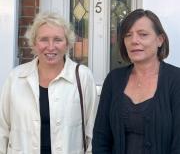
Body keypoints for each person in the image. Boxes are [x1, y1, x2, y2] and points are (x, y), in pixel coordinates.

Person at [0, 12, 98, 154]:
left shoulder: (82, 76)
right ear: (34, 43)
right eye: (44, 39)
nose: (51, 47)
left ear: (67, 44)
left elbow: (93, 131)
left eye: (58, 39)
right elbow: (2, 129)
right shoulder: (16, 77)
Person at [92, 9, 180, 154]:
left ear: (160, 40)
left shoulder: (176, 80)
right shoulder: (114, 80)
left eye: (143, 35)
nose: (134, 41)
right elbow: (101, 138)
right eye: (128, 35)